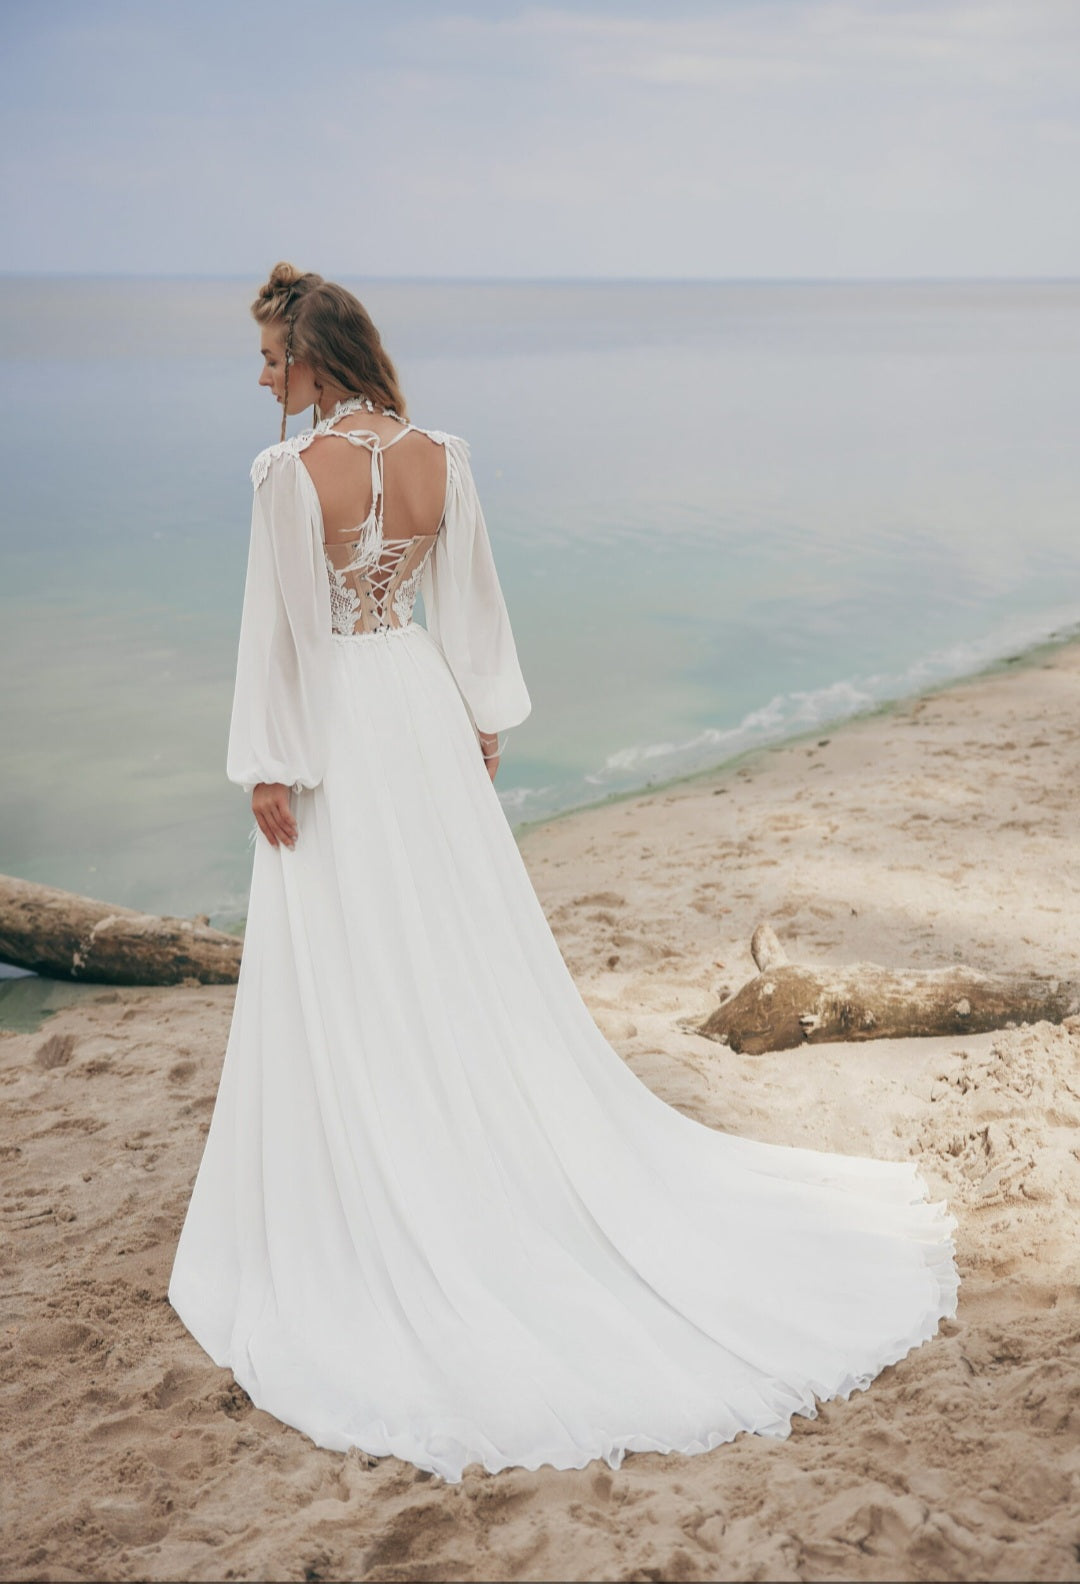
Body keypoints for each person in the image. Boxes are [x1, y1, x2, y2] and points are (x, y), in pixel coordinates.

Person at [168, 262, 959, 1485]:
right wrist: (481, 711)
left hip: (334, 726)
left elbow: (276, 627)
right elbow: (470, 600)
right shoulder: (447, 455)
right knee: (450, 942)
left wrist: (268, 764)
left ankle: (395, 1154)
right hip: (419, 712)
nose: (262, 377)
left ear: (315, 359)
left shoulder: (286, 475)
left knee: (354, 947)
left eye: (272, 357)